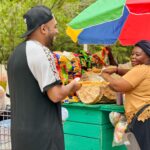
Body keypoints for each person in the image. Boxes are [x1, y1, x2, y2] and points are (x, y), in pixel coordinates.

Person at [7, 5, 81, 150]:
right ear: (43, 29)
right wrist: (73, 85)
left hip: (20, 137)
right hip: (44, 138)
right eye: (55, 27)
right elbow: (56, 95)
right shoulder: (42, 51)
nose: (57, 31)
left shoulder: (14, 55)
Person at [101, 40, 150, 150]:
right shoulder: (146, 69)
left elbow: (118, 86)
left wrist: (105, 75)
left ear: (148, 56)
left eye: (138, 55)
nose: (133, 57)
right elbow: (131, 73)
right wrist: (118, 70)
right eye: (132, 54)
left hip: (142, 119)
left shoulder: (141, 69)